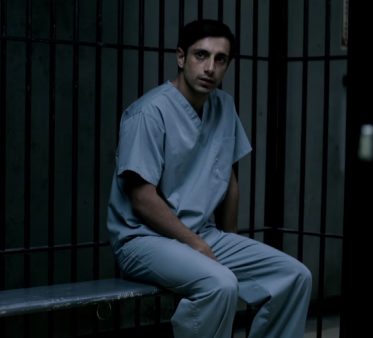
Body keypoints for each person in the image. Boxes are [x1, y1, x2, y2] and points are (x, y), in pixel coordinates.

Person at [106, 19, 312, 338]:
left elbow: (227, 178)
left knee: (296, 276)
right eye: (201, 55)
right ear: (181, 58)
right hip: (144, 240)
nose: (210, 68)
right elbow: (141, 198)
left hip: (203, 234)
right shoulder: (148, 113)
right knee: (220, 283)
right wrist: (196, 244)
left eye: (220, 59)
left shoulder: (223, 106)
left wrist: (229, 239)